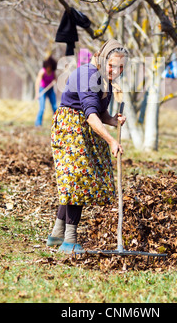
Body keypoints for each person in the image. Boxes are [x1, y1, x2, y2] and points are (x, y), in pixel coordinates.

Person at [47, 39, 128, 253]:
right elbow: (91, 116)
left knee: (74, 181)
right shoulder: (90, 76)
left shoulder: (104, 79)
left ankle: (57, 234)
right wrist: (111, 140)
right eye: (112, 65)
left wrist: (113, 120)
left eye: (121, 67)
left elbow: (99, 113)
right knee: (77, 181)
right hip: (71, 128)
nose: (116, 71)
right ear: (102, 59)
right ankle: (69, 240)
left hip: (83, 128)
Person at [35, 56, 58, 126]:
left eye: (50, 66)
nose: (49, 68)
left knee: (54, 107)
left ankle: (57, 122)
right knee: (42, 108)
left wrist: (54, 82)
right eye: (48, 66)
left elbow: (55, 79)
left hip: (50, 90)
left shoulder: (53, 72)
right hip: (42, 89)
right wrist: (37, 94)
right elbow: (37, 83)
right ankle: (38, 124)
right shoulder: (42, 71)